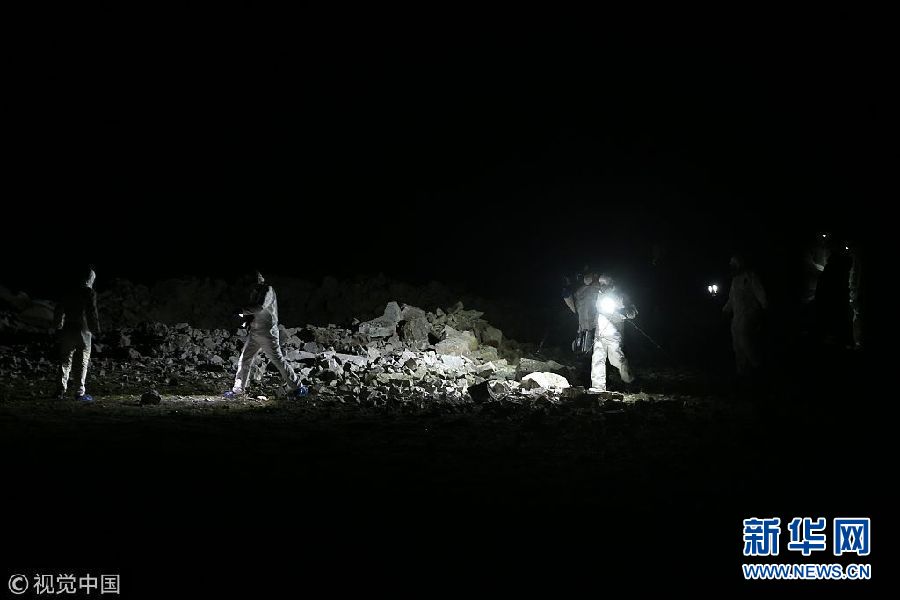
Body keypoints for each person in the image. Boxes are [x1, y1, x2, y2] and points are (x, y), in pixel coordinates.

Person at [225, 272, 302, 398]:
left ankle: (298, 387)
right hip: (255, 332)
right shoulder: (255, 292)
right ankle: (238, 390)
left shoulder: (267, 290)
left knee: (278, 360)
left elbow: (259, 307)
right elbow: (253, 311)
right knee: (245, 359)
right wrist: (247, 320)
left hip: (268, 333)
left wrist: (242, 310)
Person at [53, 266, 101, 401]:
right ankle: (79, 392)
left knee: (65, 360)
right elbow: (92, 313)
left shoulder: (68, 292)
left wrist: (58, 327)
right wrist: (96, 330)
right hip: (83, 330)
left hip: (68, 328)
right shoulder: (89, 293)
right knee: (82, 361)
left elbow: (59, 310)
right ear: (90, 279)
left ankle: (60, 390)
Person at [589, 275, 637, 391]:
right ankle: (598, 387)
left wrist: (625, 312)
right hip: (600, 332)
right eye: (601, 284)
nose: (602, 286)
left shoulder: (621, 296)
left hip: (614, 332)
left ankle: (627, 375)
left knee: (615, 358)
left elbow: (632, 312)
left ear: (611, 283)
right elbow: (597, 309)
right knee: (597, 358)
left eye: (604, 284)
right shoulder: (599, 295)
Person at [722, 255, 767, 377]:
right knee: (737, 346)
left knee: (747, 343)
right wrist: (725, 310)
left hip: (749, 315)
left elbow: (761, 294)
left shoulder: (751, 277)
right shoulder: (735, 280)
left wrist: (765, 309)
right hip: (737, 317)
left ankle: (758, 368)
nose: (732, 267)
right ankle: (742, 374)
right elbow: (732, 299)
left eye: (734, 265)